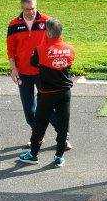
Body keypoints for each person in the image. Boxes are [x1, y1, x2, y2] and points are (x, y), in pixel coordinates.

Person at [7, 0, 68, 149]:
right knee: (29, 110)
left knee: (47, 107)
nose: (31, 12)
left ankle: (63, 135)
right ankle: (37, 136)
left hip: (43, 72)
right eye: (27, 9)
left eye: (33, 8)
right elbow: (11, 49)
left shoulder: (47, 21)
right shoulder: (13, 24)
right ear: (22, 8)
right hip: (23, 73)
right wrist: (13, 68)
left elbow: (56, 43)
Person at [18, 18, 75, 168]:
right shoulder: (70, 49)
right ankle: (59, 156)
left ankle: (33, 155)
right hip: (65, 93)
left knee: (40, 125)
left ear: (48, 33)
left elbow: (33, 63)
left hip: (46, 94)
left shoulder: (40, 49)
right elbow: (69, 63)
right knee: (63, 126)